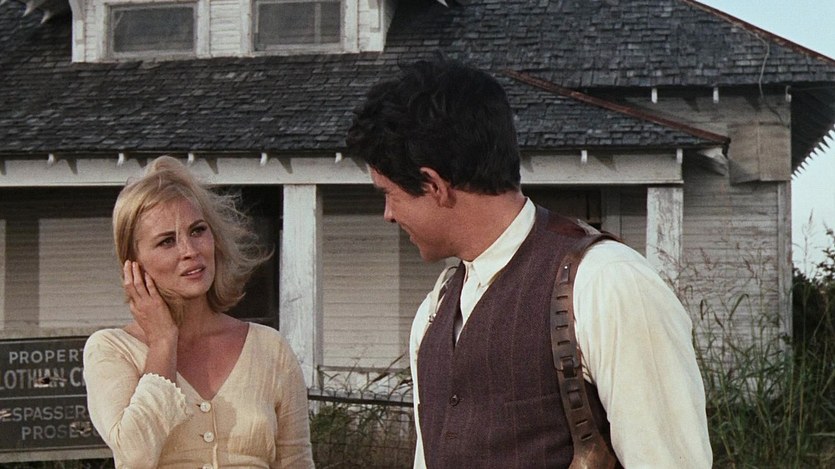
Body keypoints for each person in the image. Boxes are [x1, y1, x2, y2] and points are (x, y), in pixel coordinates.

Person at [346, 58, 712, 468]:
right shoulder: (434, 310)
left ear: (434, 186)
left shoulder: (607, 283)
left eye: (389, 194)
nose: (388, 215)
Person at [83, 156, 314, 469]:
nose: (190, 251)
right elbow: (134, 456)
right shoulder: (112, 350)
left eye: (197, 231)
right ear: (133, 263)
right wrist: (163, 341)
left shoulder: (270, 349)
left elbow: (297, 462)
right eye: (167, 241)